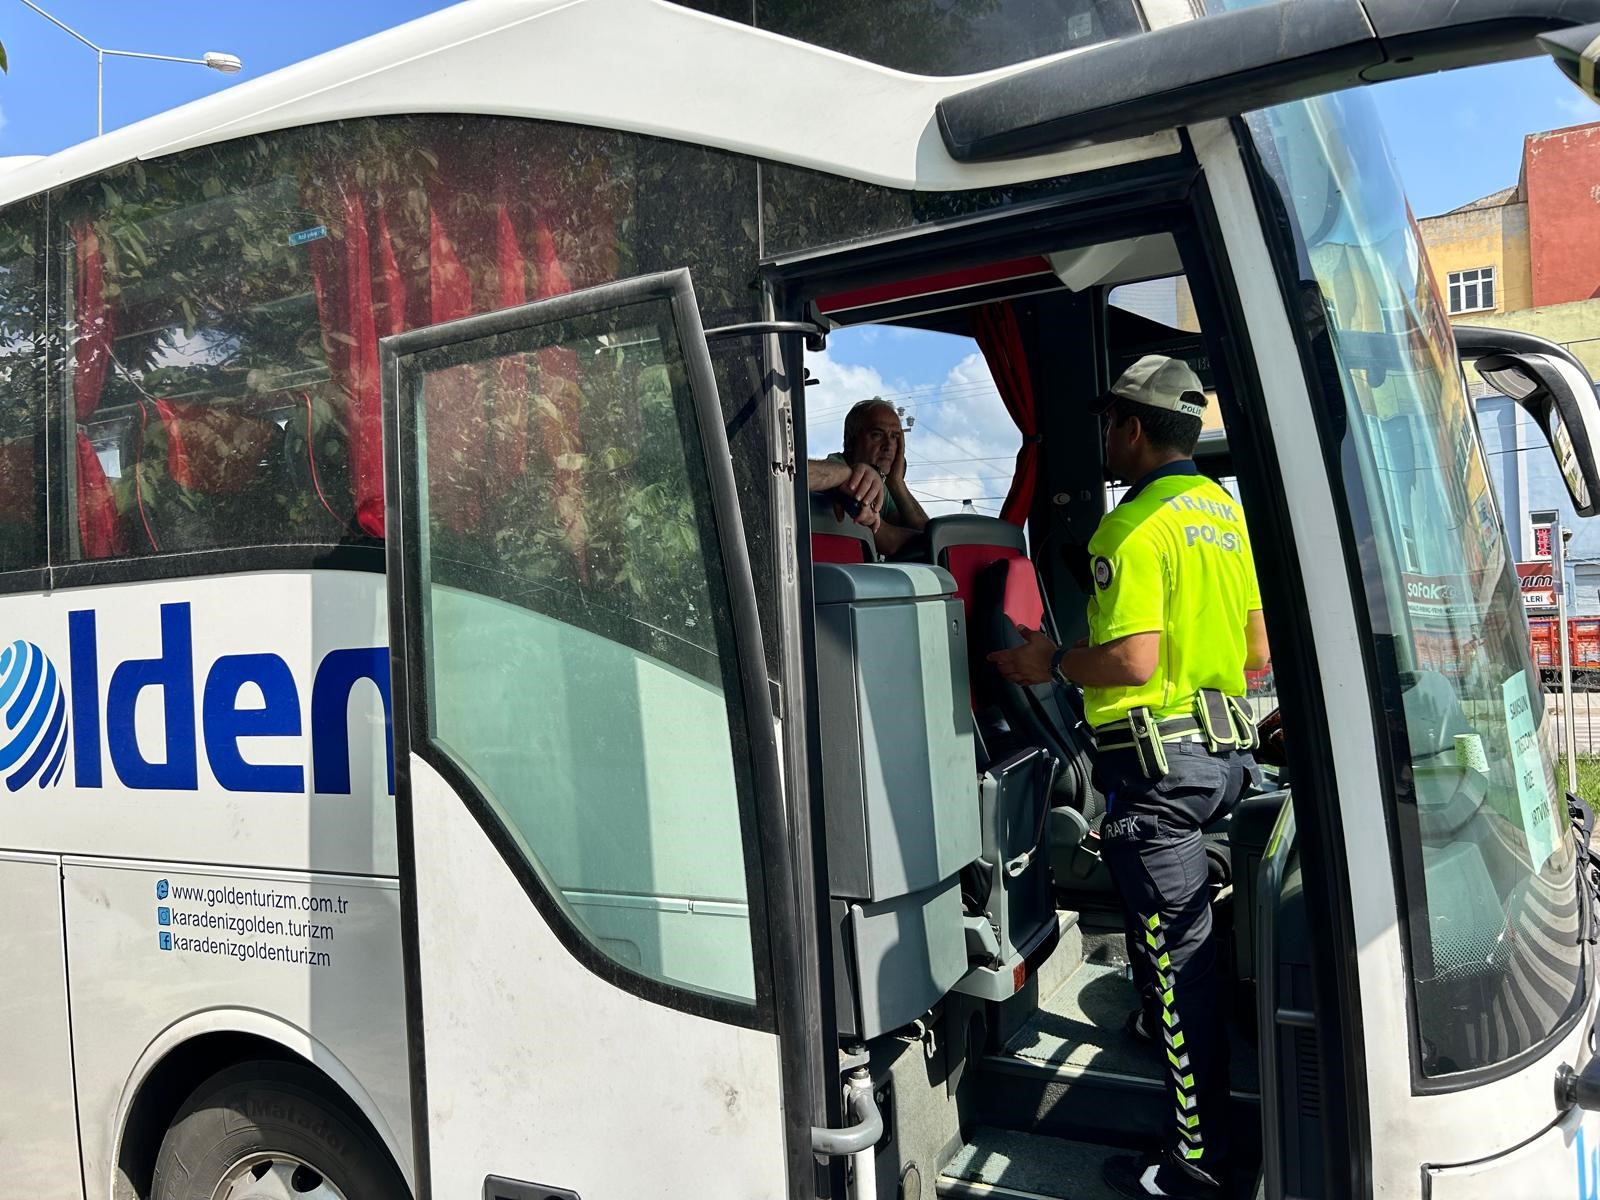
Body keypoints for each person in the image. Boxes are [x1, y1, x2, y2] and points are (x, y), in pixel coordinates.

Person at [987, 355, 1268, 1200]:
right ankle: (1162, 1027)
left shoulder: (1131, 531)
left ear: (1134, 430)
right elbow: (1255, 653)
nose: (1104, 437)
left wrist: (1052, 660)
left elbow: (1132, 657)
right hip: (1224, 761)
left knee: (1178, 962)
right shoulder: (1223, 513)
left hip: (1159, 774)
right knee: (1183, 951)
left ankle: (1199, 1162)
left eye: (1110, 423)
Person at [807, 398, 928, 556]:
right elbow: (893, 542)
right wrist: (845, 475)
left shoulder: (881, 485)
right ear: (850, 441)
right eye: (877, 435)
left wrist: (897, 484)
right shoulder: (834, 474)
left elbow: (926, 535)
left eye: (894, 437)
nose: (888, 445)